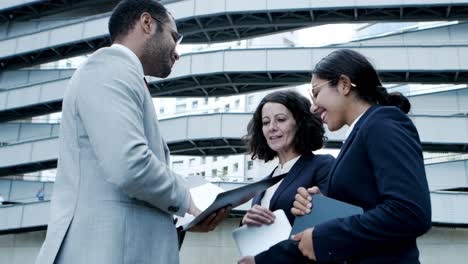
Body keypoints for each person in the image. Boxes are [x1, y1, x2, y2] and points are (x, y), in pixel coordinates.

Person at [35, 1, 228, 264]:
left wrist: (184, 218)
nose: (177, 53)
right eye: (174, 37)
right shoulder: (109, 66)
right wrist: (187, 200)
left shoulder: (124, 75)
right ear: (147, 23)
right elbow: (129, 164)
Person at [291, 49, 431, 263]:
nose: (312, 106)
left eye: (316, 92)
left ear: (344, 84)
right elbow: (367, 206)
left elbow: (409, 212)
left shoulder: (382, 123)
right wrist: (323, 205)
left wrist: (325, 236)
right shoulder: (365, 129)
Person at [238, 90, 335, 264]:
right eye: (265, 122)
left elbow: (322, 234)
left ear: (300, 123)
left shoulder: (322, 166)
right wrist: (246, 223)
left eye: (281, 120)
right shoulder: (265, 182)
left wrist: (262, 261)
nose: (272, 127)